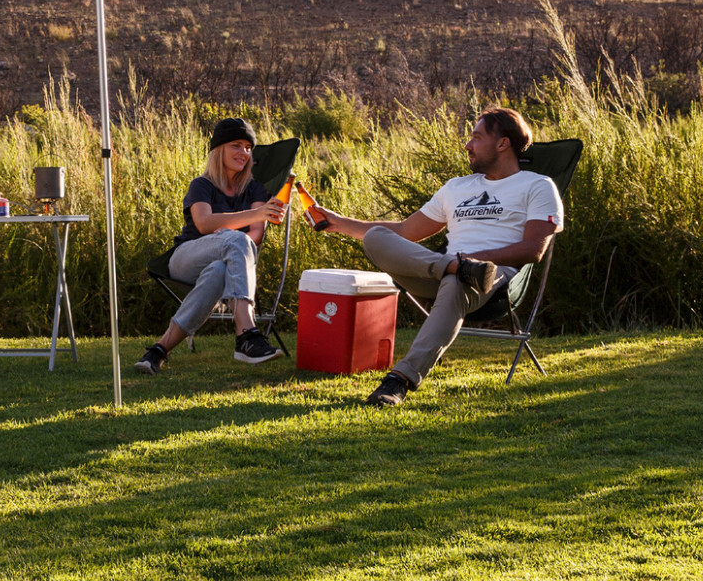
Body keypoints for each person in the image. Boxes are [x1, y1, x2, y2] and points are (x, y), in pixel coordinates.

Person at [315, 108, 564, 406]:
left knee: (459, 281)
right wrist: (338, 223)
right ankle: (454, 266)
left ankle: (399, 380)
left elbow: (534, 249)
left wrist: (475, 260)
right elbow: (405, 231)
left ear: (502, 143)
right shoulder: (457, 187)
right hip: (441, 271)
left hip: (493, 277)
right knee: (376, 237)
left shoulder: (537, 186)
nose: (468, 145)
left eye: (477, 137)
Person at [135, 117, 287, 374]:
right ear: (219, 150)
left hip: (228, 261)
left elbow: (256, 235)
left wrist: (231, 243)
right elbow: (204, 224)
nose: (244, 153)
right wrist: (245, 226)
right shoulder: (202, 185)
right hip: (187, 257)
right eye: (236, 145)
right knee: (236, 239)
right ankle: (246, 333)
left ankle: (158, 351)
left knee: (219, 270)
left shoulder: (255, 189)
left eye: (248, 148)